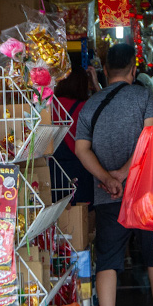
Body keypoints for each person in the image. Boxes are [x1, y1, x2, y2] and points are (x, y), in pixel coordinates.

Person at [74, 44, 153, 306]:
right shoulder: (145, 97)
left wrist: (106, 177)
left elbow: (81, 148)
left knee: (109, 261)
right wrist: (125, 173)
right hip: (146, 195)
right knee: (152, 257)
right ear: (133, 69)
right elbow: (152, 139)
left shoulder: (90, 105)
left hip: (107, 197)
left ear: (104, 70)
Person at [53, 68, 97, 205]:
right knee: (81, 215)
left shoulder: (49, 104)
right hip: (80, 170)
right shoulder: (87, 107)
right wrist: (96, 84)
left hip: (53, 170)